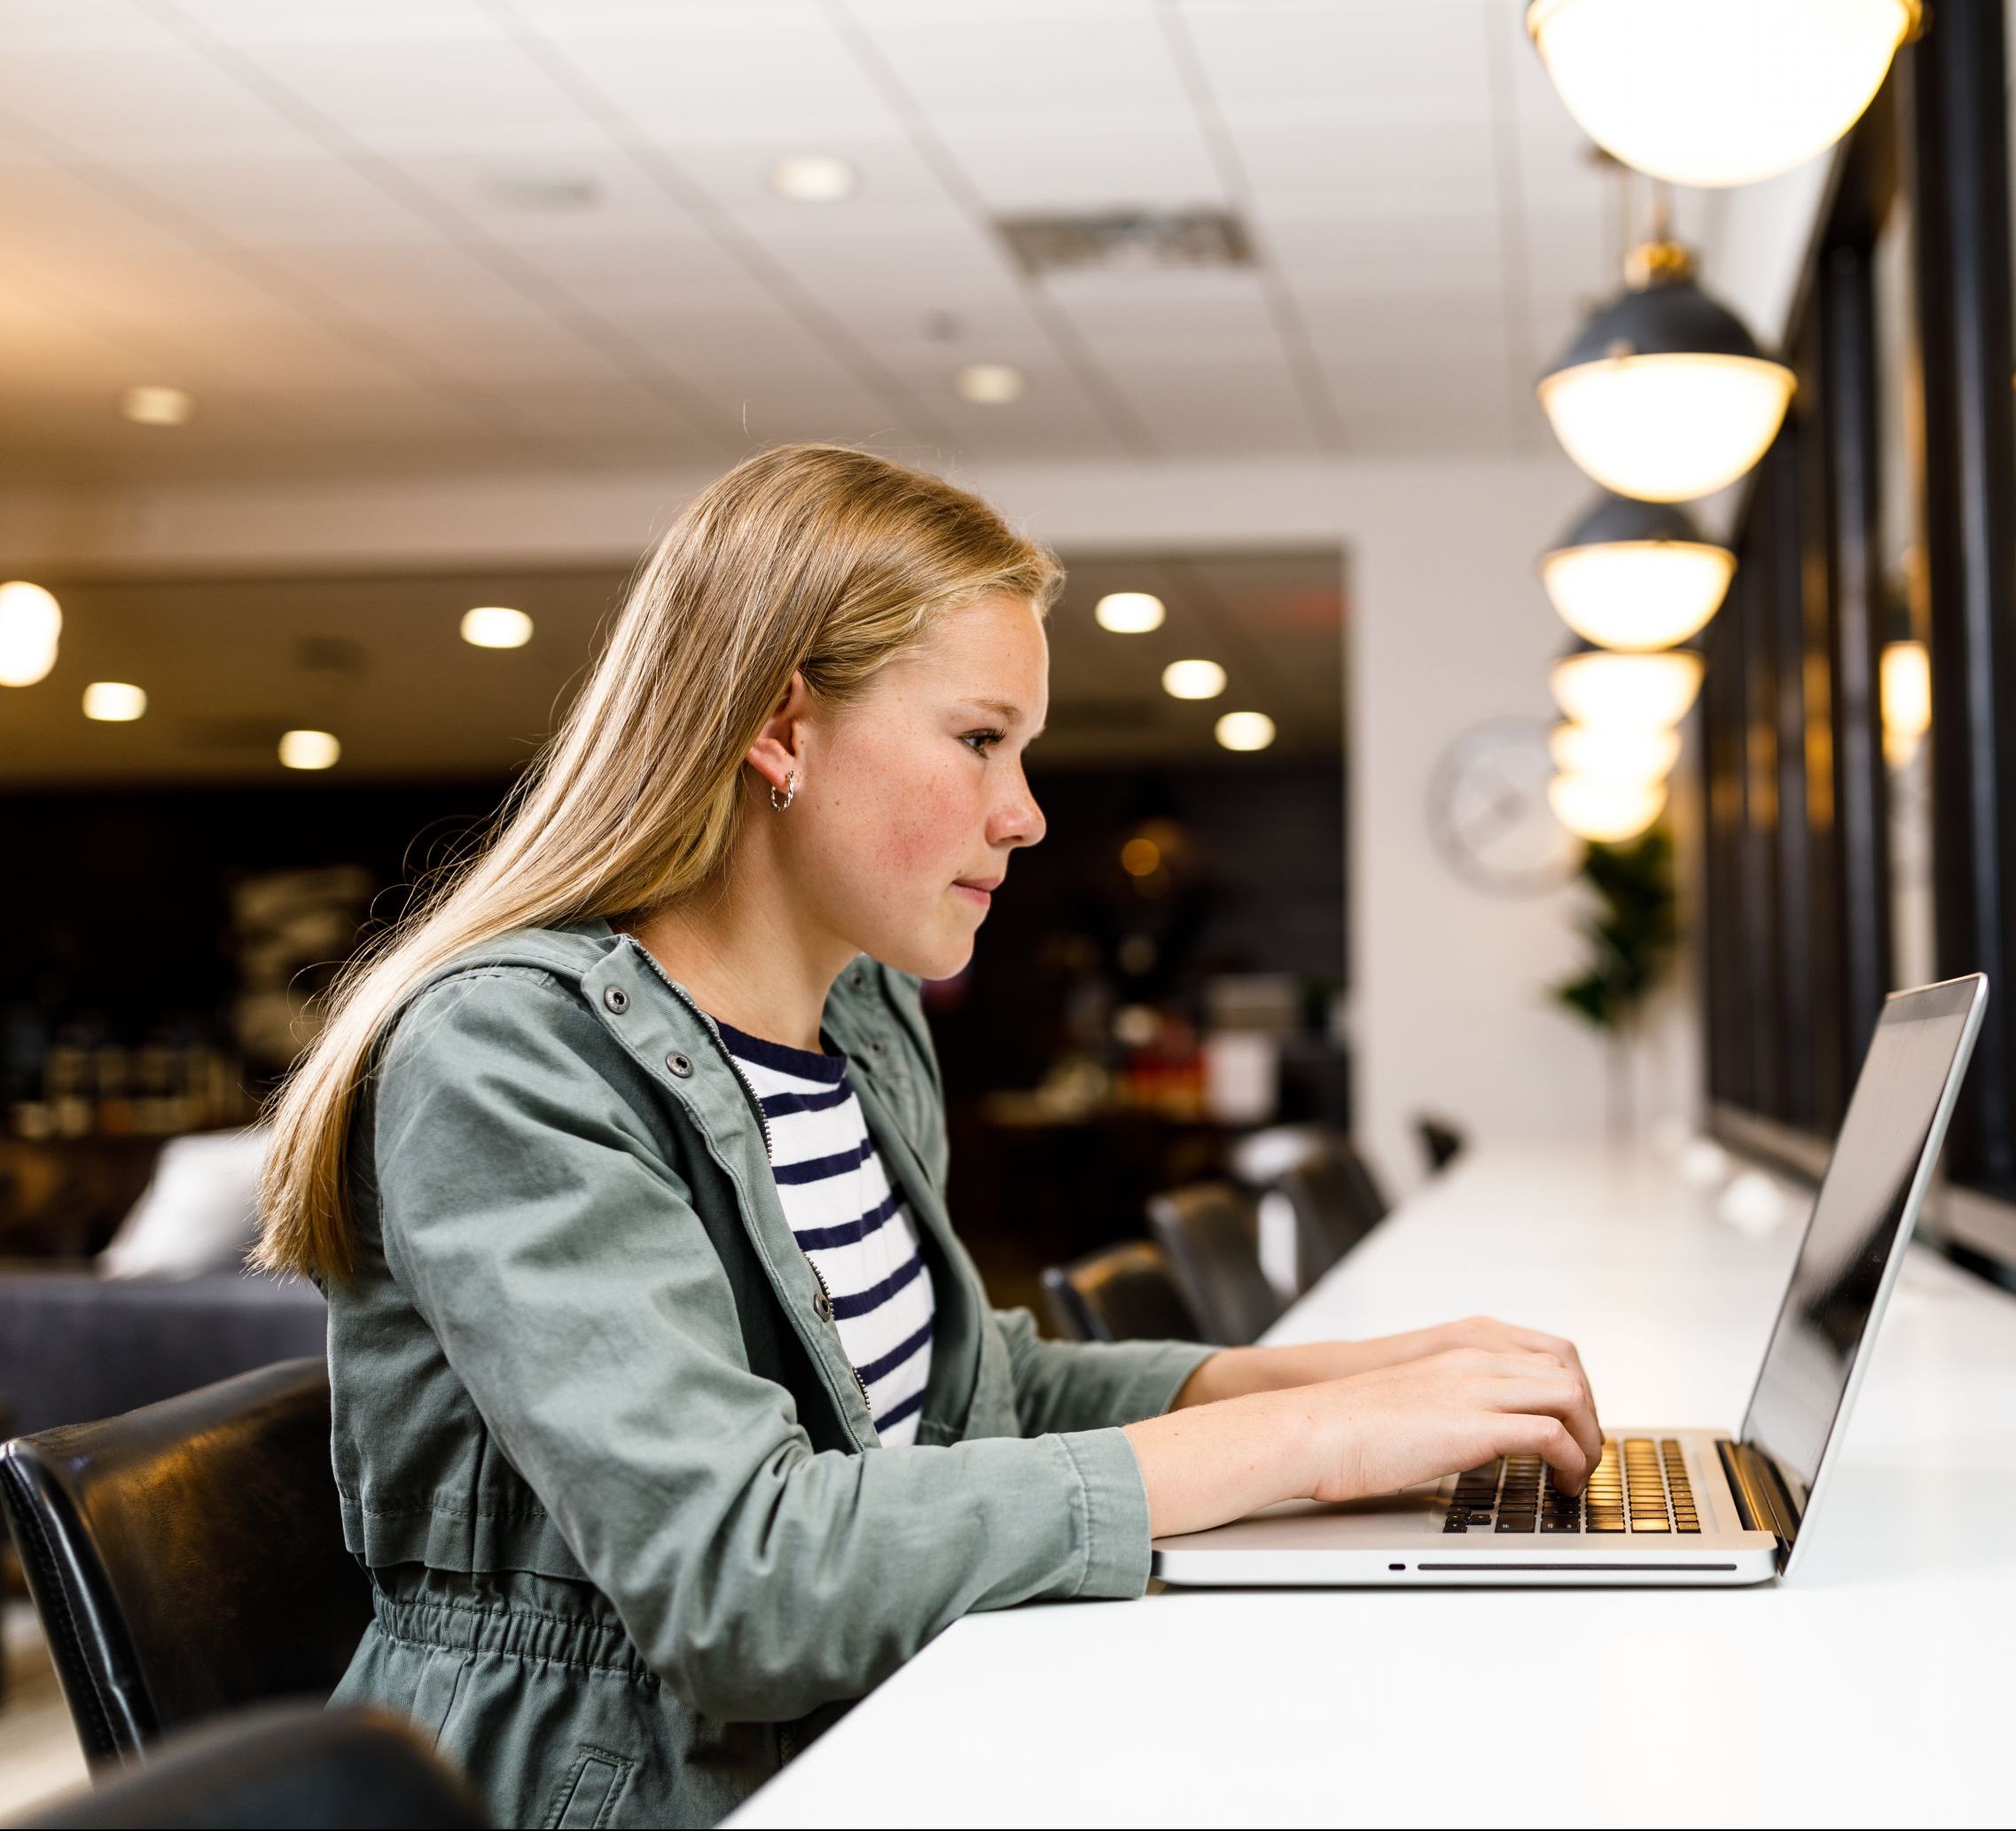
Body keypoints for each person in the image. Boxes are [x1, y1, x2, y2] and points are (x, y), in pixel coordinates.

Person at [253, 445, 1601, 1827]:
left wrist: (1358, 1385)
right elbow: (743, 1574)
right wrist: (1311, 1440)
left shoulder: (862, 1014)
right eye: (978, 740)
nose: (1023, 813)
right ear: (781, 727)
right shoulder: (509, 1054)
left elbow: (961, 1398)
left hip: (872, 1725)